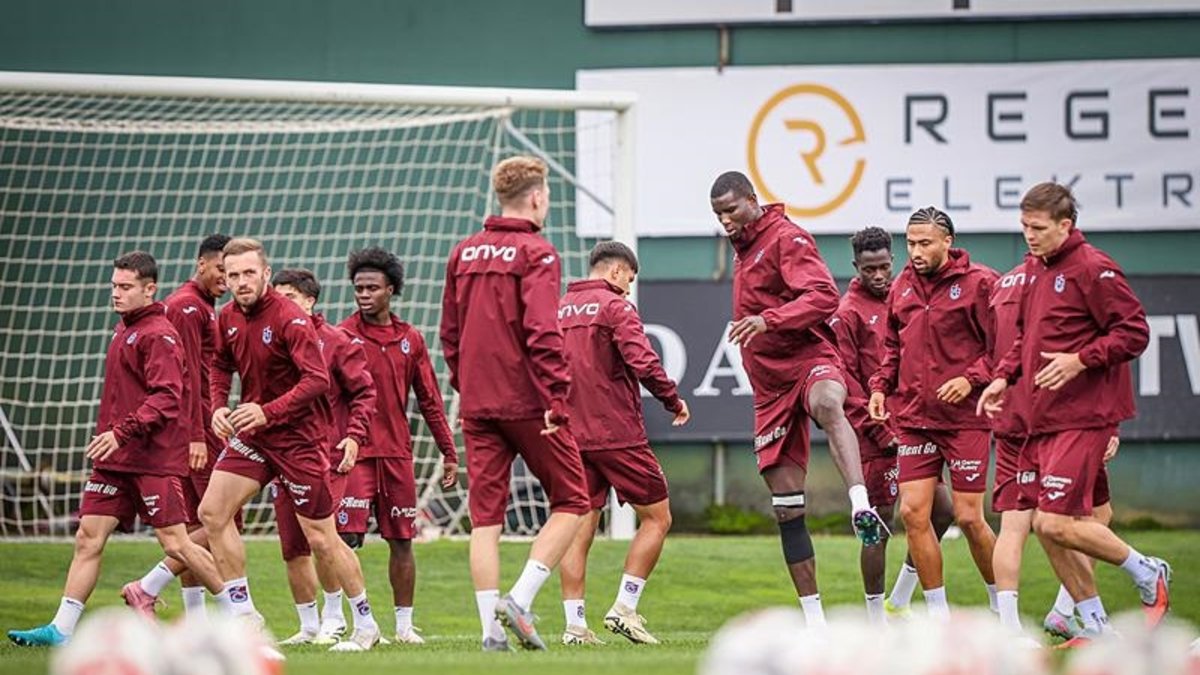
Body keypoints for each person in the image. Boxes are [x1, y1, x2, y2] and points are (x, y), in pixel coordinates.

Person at [978, 182, 1170, 645]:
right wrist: (1003, 377)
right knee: (1054, 527)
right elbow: (1024, 339)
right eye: (1024, 226)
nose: (1029, 235)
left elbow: (1134, 332)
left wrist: (1080, 359)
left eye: (1038, 228)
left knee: (1052, 522)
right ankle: (1095, 624)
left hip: (1083, 416)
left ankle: (1147, 570)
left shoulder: (1093, 268)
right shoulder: (1034, 270)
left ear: (1066, 225)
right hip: (1041, 419)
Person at [9, 252, 225, 646]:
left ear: (149, 289)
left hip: (151, 460)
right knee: (88, 537)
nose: (116, 293)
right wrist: (114, 439)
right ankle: (61, 630)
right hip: (114, 460)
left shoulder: (159, 334)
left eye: (125, 287)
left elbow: (167, 397)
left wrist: (120, 433)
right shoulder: (123, 329)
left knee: (177, 543)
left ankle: (241, 620)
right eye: (114, 286)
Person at [710, 170, 885, 628]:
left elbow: (824, 295)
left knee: (828, 401)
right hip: (769, 387)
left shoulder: (786, 237)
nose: (725, 219)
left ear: (752, 200)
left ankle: (860, 503)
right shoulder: (744, 247)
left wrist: (768, 319)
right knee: (788, 509)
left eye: (730, 209)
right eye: (717, 213)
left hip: (808, 357)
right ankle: (815, 624)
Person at [200, 238, 382, 652]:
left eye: (249, 273)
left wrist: (267, 411)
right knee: (212, 512)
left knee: (322, 538)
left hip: (300, 440)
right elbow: (220, 365)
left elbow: (317, 380)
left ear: (265, 273)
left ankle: (366, 623)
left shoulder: (290, 317)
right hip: (255, 437)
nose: (241, 282)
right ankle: (244, 614)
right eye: (233, 275)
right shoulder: (227, 317)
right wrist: (217, 406)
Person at [440, 155, 591, 651]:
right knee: (573, 500)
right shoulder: (537, 252)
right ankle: (520, 600)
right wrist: (557, 398)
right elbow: (542, 332)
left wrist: (468, 385)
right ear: (537, 197)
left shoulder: (462, 252)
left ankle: (490, 635)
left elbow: (449, 335)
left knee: (485, 519)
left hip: (477, 404)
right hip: (528, 402)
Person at [556, 241, 690, 646]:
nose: (628, 288)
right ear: (616, 271)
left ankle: (574, 627)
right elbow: (643, 361)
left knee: (579, 528)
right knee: (658, 518)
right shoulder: (616, 307)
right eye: (628, 280)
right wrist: (673, 400)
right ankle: (625, 607)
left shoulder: (559, 309)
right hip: (617, 433)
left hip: (571, 435)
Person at [868, 207, 998, 620]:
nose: (916, 251)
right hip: (913, 420)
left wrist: (971, 379)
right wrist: (879, 387)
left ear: (947, 242)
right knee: (912, 513)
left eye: (925, 243)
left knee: (969, 517)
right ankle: (939, 618)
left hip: (964, 420)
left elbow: (1003, 349)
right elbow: (892, 347)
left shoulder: (981, 283)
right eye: (910, 243)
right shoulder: (902, 286)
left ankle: (1003, 609)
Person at [831, 226, 955, 624]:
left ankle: (899, 599)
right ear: (856, 267)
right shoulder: (848, 312)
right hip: (875, 438)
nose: (879, 275)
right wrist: (878, 430)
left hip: (913, 426)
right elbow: (847, 382)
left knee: (943, 512)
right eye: (870, 269)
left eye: (884, 266)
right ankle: (875, 621)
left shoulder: (904, 295)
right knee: (879, 525)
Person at [339, 247, 459, 645]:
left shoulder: (410, 339)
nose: (364, 294)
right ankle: (348, 623)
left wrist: (448, 451)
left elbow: (430, 401)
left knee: (402, 540)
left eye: (372, 287)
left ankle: (405, 627)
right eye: (359, 288)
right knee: (344, 539)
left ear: (391, 289)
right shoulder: (342, 336)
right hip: (354, 455)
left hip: (396, 455)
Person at [121, 234, 231, 621]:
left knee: (200, 521)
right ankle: (148, 586)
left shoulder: (203, 305)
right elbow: (185, 379)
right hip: (194, 430)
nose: (228, 278)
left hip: (199, 426)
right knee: (221, 519)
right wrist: (196, 436)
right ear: (201, 264)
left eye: (234, 272)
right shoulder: (186, 307)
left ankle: (193, 619)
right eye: (222, 269)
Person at [269, 269, 377, 646]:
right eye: (277, 297)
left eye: (289, 297)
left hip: (324, 454)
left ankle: (337, 616)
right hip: (279, 454)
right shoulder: (272, 340)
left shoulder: (336, 341)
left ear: (309, 301)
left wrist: (354, 436)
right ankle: (309, 625)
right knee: (291, 546)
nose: (281, 305)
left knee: (323, 538)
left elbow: (365, 393)